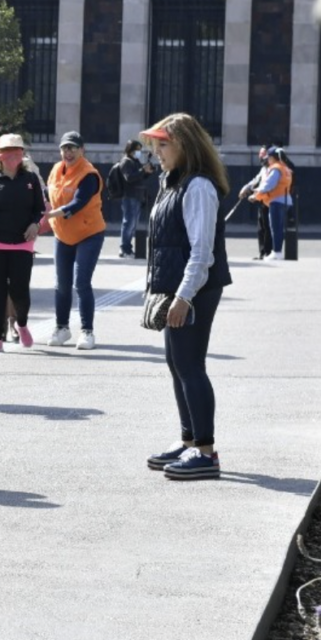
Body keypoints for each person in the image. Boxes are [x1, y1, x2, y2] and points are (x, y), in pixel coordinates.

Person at [140, 113, 232, 480]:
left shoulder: (198, 188)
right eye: (156, 145)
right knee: (177, 364)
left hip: (194, 289)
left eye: (164, 144)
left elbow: (202, 252)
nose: (157, 152)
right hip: (177, 287)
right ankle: (190, 441)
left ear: (185, 145)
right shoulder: (172, 182)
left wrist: (182, 297)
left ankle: (206, 453)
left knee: (190, 365)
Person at [0, 133, 44, 353]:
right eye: (7, 153)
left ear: (22, 155)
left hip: (23, 243)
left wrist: (36, 224)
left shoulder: (30, 179)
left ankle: (21, 323)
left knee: (20, 291)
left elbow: (39, 208)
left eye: (17, 153)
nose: (13, 158)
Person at [43, 131, 106, 350]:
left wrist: (50, 215)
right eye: (64, 148)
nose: (68, 152)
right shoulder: (56, 170)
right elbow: (47, 192)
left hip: (89, 234)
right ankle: (62, 328)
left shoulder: (89, 174)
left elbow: (78, 203)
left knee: (81, 282)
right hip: (63, 234)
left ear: (82, 150)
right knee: (61, 284)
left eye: (72, 148)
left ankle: (87, 332)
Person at [249, 146, 294, 260]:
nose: (267, 160)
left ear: (273, 158)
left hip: (276, 201)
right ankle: (278, 251)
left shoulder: (276, 169)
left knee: (275, 228)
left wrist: (256, 195)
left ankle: (277, 252)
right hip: (286, 200)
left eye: (268, 157)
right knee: (279, 227)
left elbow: (268, 185)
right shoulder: (285, 168)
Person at [118, 139, 155, 258]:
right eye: (136, 150)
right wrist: (142, 170)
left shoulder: (135, 161)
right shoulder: (126, 161)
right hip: (129, 196)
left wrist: (147, 172)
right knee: (129, 222)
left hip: (137, 195)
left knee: (133, 223)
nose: (138, 152)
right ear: (130, 150)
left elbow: (140, 177)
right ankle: (125, 248)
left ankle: (128, 248)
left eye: (139, 150)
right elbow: (129, 178)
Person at [238, 147, 272, 260]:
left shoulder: (273, 169)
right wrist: (246, 188)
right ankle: (262, 253)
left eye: (263, 154)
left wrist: (254, 195)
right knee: (261, 228)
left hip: (270, 202)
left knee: (268, 228)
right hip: (262, 201)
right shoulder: (264, 169)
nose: (261, 157)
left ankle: (269, 253)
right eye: (260, 154)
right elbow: (256, 180)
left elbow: (266, 186)